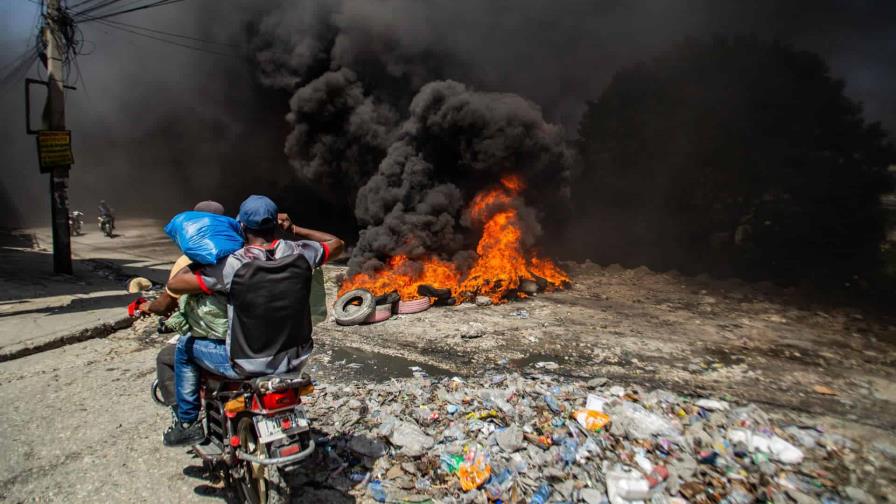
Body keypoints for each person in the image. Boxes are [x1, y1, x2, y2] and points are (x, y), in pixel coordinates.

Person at [162, 195, 344, 446]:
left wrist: (200, 254)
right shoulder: (300, 253)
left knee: (184, 347)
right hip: (296, 357)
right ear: (276, 226)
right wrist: (294, 229)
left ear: (243, 228)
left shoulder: (231, 265)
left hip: (248, 364)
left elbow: (175, 284)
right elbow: (336, 243)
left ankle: (188, 423)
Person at [141, 200, 227, 410]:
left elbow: (165, 306)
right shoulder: (243, 253)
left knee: (168, 357)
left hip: (217, 341)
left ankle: (186, 418)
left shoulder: (187, 263)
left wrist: (146, 307)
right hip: (252, 338)